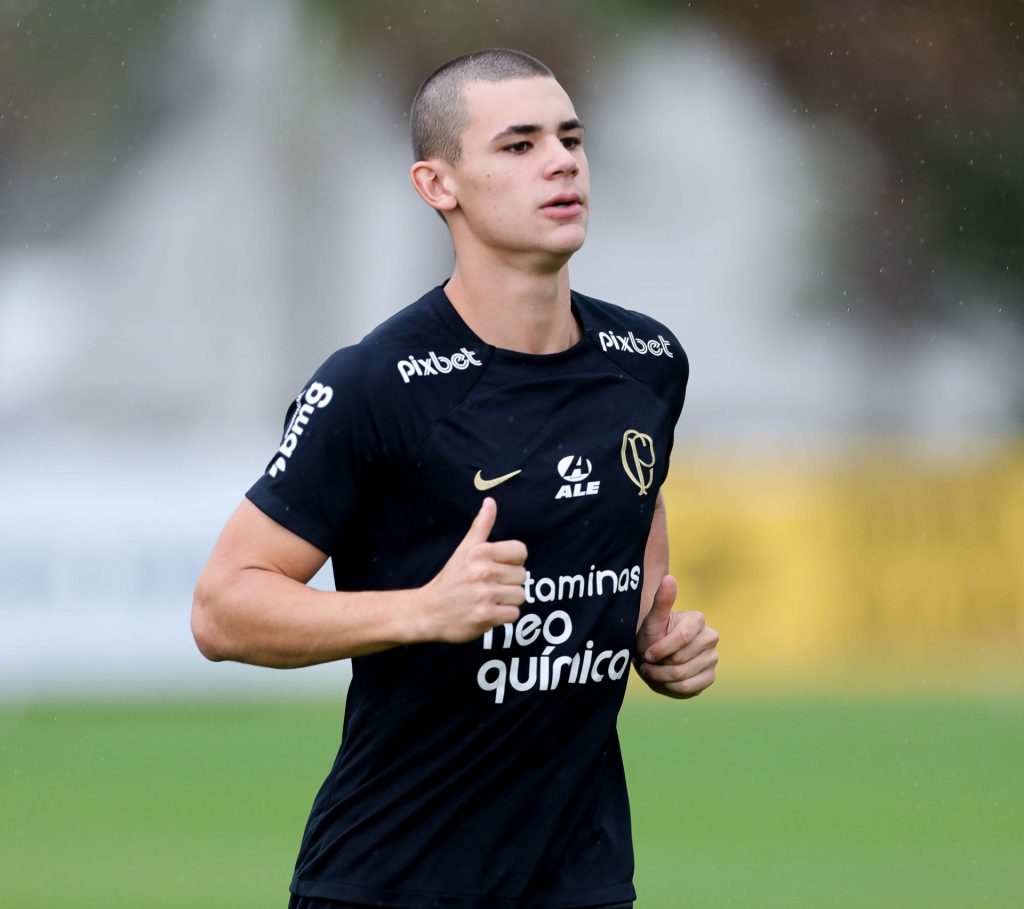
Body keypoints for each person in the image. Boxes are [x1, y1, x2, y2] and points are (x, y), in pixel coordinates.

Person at [192, 48, 719, 909]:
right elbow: (222, 607)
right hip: (389, 879)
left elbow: (638, 505)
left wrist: (647, 638)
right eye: (517, 146)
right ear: (439, 185)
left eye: (571, 139)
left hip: (581, 881)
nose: (560, 162)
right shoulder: (374, 384)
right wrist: (421, 611)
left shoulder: (649, 362)